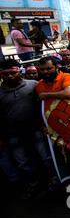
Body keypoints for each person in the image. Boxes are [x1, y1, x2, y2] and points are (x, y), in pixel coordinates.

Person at [0, 59, 58, 198]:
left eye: (13, 73)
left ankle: (54, 180)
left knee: (45, 157)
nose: (9, 76)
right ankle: (33, 184)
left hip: (36, 129)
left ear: (19, 71)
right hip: (13, 133)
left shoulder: (34, 85)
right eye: (5, 73)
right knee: (22, 162)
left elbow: (46, 105)